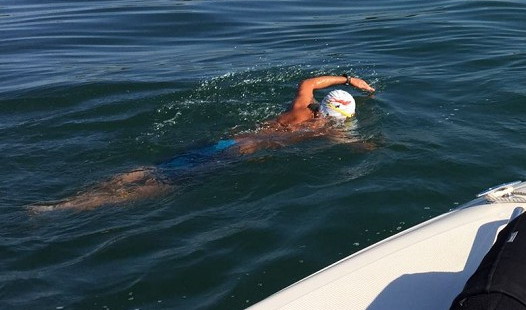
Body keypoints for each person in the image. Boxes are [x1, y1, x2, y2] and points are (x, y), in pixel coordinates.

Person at [29, 74, 375, 213]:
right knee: (165, 186)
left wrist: (347, 78)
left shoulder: (300, 107)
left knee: (157, 170)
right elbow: (354, 145)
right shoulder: (324, 130)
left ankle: (77, 195)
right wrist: (373, 148)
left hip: (226, 140)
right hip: (240, 153)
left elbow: (308, 81)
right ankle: (67, 209)